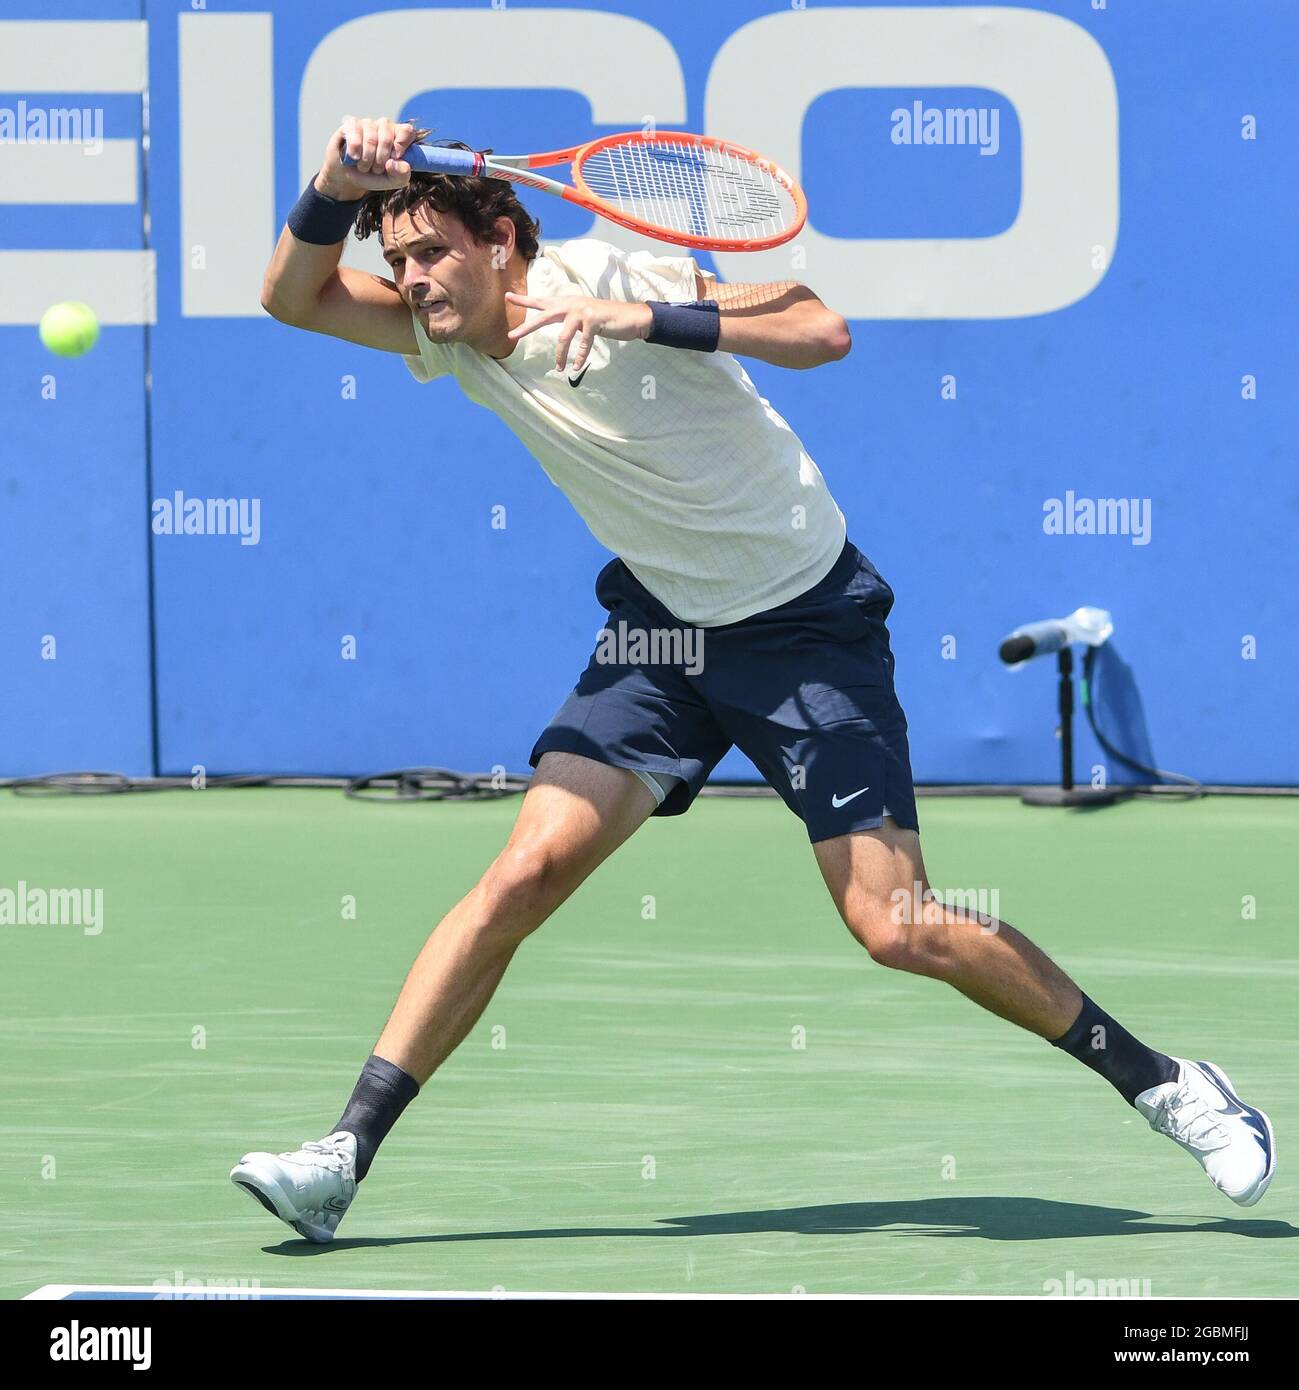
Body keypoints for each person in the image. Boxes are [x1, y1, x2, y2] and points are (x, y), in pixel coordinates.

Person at [231, 117, 1274, 1242]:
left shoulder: (618, 267)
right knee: (526, 869)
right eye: (399, 264)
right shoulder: (450, 341)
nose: (413, 280)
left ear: (498, 239)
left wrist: (639, 317)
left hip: (803, 625)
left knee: (898, 922)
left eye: (432, 252)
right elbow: (291, 300)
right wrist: (332, 184)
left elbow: (824, 331)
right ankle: (343, 1155)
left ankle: (1169, 1084)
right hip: (664, 632)